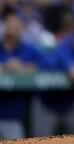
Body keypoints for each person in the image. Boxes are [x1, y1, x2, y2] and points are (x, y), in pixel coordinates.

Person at [0, 8, 49, 140]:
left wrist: (24, 67)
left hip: (11, 115)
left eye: (15, 25)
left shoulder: (28, 48)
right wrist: (5, 67)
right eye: (8, 23)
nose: (11, 28)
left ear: (21, 28)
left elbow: (48, 63)